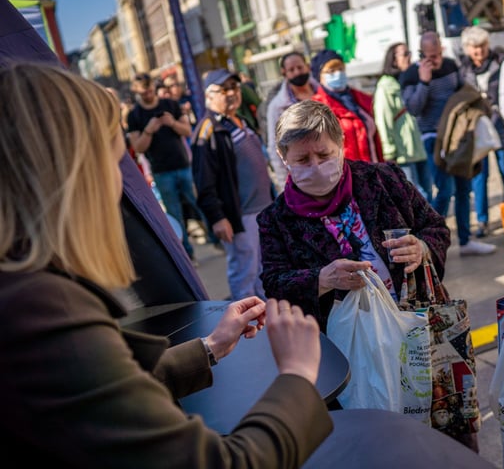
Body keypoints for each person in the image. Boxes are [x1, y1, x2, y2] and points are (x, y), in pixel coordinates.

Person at [0, 62, 332, 467]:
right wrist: (297, 375)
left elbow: (108, 396)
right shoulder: (43, 310)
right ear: (76, 172)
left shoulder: (23, 287)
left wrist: (210, 347)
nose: (118, 182)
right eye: (113, 158)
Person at [257, 99, 450, 332]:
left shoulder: (383, 179)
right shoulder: (275, 220)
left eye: (324, 154)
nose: (316, 166)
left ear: (340, 143)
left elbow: (436, 227)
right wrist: (322, 278)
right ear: (283, 156)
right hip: (347, 346)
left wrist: (422, 247)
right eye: (302, 160)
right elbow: (275, 283)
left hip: (417, 327)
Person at [401, 31, 495, 256]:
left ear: (442, 48)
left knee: (464, 188)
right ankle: (427, 237)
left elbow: (463, 92)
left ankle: (465, 240)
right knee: (445, 190)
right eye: (429, 56)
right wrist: (424, 82)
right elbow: (414, 109)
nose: (434, 60)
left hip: (458, 135)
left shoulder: (451, 65)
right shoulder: (411, 74)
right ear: (421, 53)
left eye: (437, 54)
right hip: (432, 137)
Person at [192, 69, 275, 300]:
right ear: (209, 96)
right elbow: (203, 180)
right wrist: (218, 217)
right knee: (244, 276)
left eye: (235, 88)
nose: (232, 93)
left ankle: (268, 325)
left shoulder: (240, 120)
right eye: (224, 89)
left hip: (263, 210)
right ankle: (249, 328)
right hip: (241, 217)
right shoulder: (208, 130)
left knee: (264, 272)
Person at [127, 72, 202, 262]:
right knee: (174, 214)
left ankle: (216, 238)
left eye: (150, 90)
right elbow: (138, 148)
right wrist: (149, 129)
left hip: (183, 164)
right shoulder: (134, 115)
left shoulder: (170, 105)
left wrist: (172, 122)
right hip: (161, 171)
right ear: (136, 91)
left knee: (199, 203)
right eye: (144, 92)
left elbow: (187, 131)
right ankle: (188, 254)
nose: (148, 94)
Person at [458, 25, 504, 238]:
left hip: (499, 123)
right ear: (467, 49)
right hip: (477, 126)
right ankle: (482, 221)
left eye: (482, 46)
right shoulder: (463, 69)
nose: (479, 51)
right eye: (474, 47)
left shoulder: (500, 62)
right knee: (479, 175)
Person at [373, 42, 432, 201]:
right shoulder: (385, 86)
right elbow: (383, 120)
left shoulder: (407, 80)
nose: (410, 58)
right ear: (393, 60)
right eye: (405, 54)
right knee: (419, 197)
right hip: (402, 152)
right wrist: (389, 151)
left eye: (410, 53)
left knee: (428, 193)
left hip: (417, 148)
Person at [310, 49, 384, 163]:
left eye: (340, 69)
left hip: (372, 172)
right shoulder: (316, 108)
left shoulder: (361, 100)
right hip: (347, 176)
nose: (338, 74)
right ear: (319, 76)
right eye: (331, 71)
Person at [263, 51, 320, 190]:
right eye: (291, 70)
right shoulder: (277, 107)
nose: (297, 73)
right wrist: (285, 187)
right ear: (284, 73)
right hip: (305, 179)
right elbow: (275, 148)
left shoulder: (323, 93)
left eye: (300, 68)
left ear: (307, 67)